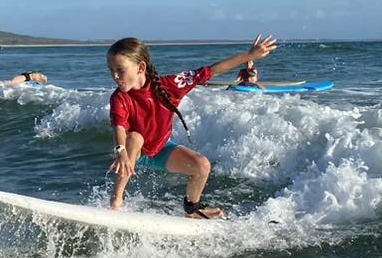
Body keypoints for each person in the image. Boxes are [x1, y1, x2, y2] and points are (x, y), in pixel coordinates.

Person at [107, 34, 278, 218]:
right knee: (135, 137)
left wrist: (249, 55)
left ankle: (192, 211)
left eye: (120, 70)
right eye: (111, 70)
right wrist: (121, 152)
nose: (115, 76)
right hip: (134, 152)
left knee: (202, 165)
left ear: (141, 67)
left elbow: (211, 71)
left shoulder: (170, 86)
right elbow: (120, 126)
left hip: (161, 149)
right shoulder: (120, 97)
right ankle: (116, 202)